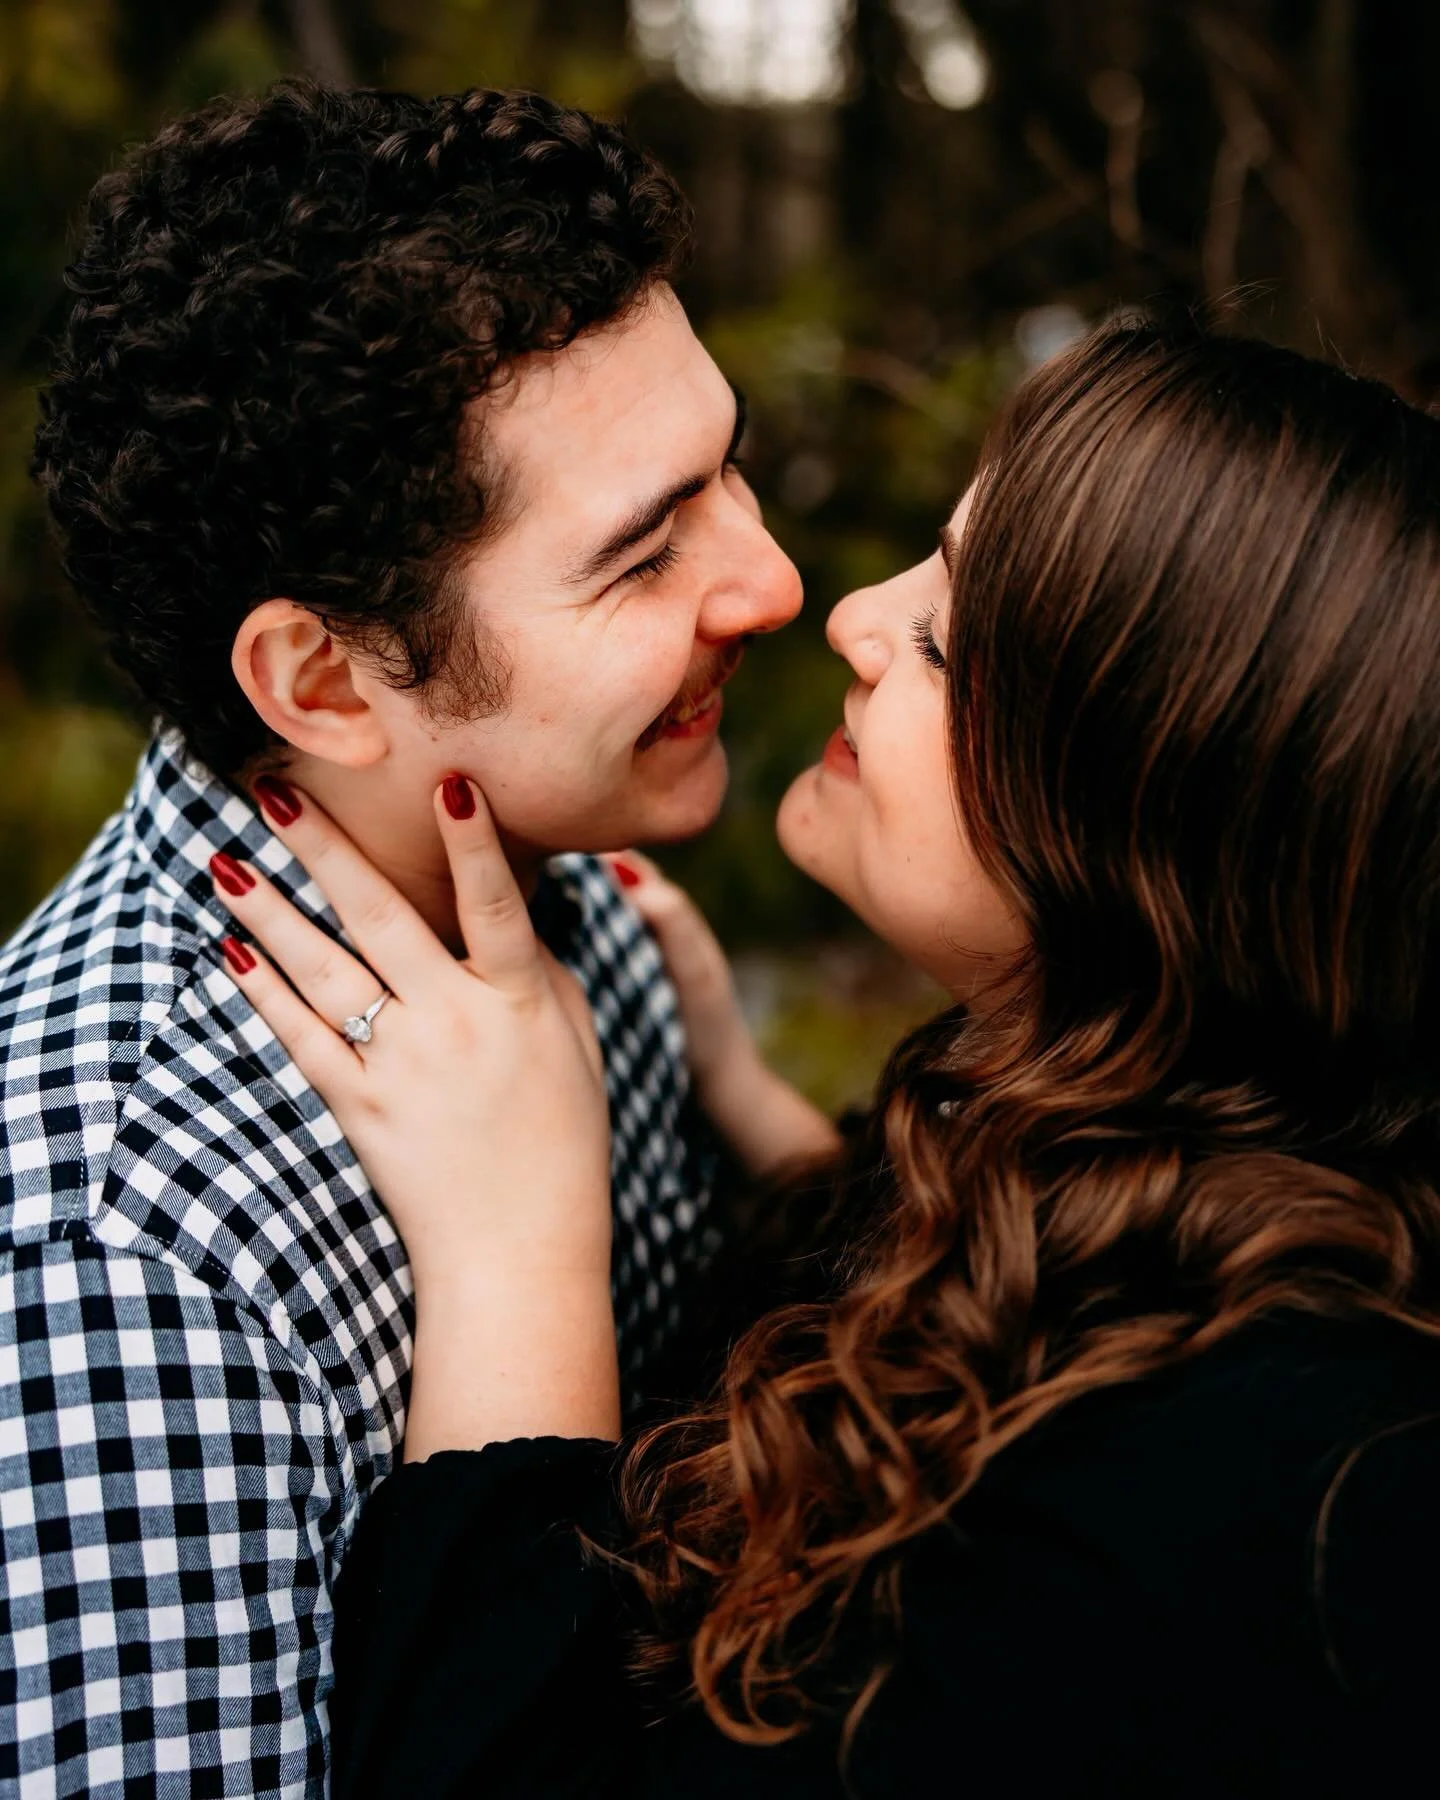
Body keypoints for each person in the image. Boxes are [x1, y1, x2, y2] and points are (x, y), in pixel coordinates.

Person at [216, 318, 1440, 1797]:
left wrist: (514, 1254)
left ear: (1150, 836)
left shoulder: (1251, 1506)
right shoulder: (1228, 1190)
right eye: (928, 558)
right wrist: (762, 1110)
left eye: (944, 639)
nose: (847, 612)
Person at [0, 82, 801, 1794]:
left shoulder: (560, 867)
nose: (771, 580)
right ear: (323, 683)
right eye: (646, 553)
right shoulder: (122, 1269)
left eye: (726, 469)